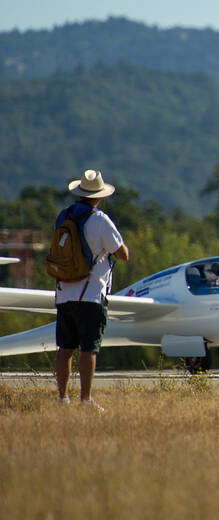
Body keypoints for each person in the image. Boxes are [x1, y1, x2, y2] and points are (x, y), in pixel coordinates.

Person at [54, 170, 129, 409]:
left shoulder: (63, 216)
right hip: (91, 293)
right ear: (99, 196)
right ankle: (85, 400)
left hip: (64, 291)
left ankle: (62, 398)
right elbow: (122, 253)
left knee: (65, 349)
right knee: (89, 349)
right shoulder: (100, 219)